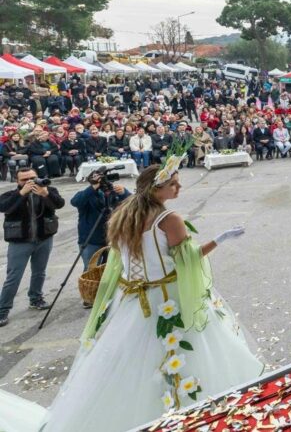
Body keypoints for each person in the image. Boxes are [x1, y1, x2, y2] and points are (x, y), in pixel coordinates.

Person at [0, 157, 263, 431]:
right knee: (187, 349)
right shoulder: (169, 219)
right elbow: (188, 259)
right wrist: (219, 240)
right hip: (166, 296)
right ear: (156, 189)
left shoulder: (124, 213)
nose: (179, 187)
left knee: (127, 360)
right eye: (173, 184)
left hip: (132, 299)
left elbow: (121, 261)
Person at [0, 167, 63, 327]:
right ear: (17, 181)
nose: (29, 182)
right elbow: (4, 207)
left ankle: (36, 299)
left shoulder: (48, 190)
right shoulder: (10, 195)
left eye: (33, 178)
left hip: (44, 239)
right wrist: (21, 193)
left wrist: (45, 194)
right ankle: (2, 310)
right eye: (24, 180)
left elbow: (59, 204)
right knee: (13, 277)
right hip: (19, 242)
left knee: (39, 272)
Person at [70, 169, 130, 306]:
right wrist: (93, 188)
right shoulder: (86, 194)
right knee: (91, 269)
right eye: (98, 179)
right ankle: (90, 296)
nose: (103, 182)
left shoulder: (114, 193)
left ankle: (109, 293)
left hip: (112, 238)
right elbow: (75, 202)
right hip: (91, 239)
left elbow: (133, 203)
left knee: (112, 267)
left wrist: (124, 192)